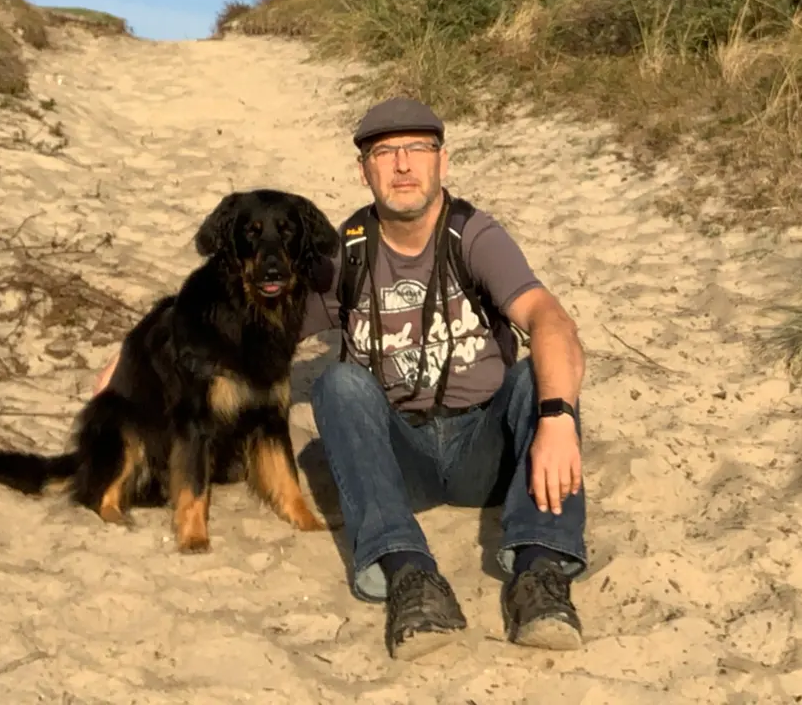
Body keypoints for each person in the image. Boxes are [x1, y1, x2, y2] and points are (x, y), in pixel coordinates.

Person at [92, 96, 588, 661]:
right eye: (384, 153)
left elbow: (551, 322)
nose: (402, 165)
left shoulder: (472, 235)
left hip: (484, 446)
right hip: (400, 459)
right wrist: (137, 353)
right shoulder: (346, 253)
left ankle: (541, 576)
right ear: (364, 171)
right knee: (338, 384)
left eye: (416, 150)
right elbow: (235, 325)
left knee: (540, 378)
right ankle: (408, 576)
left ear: (441, 161)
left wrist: (556, 420)